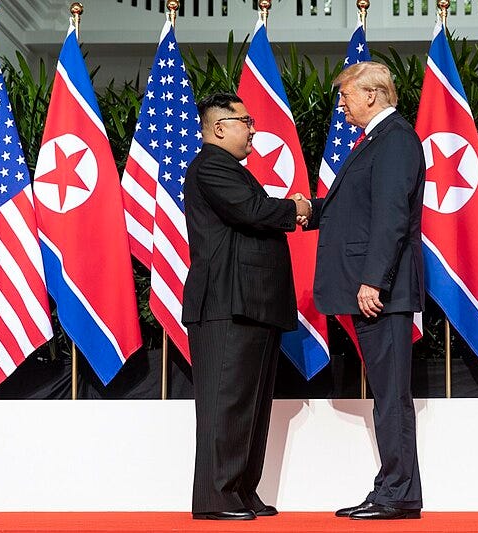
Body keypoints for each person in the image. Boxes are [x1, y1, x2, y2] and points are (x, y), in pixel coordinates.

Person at [303, 61, 426, 520]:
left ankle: (395, 493)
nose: (341, 104)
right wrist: (306, 211)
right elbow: (354, 209)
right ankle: (399, 491)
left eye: (346, 96)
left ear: (372, 95)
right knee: (387, 393)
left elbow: (392, 217)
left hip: (381, 292)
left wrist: (373, 279)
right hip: (374, 289)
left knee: (391, 395)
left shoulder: (394, 139)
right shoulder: (378, 139)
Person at [182, 92, 312, 521]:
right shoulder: (212, 165)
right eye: (245, 121)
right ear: (219, 128)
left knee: (251, 405)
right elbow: (252, 211)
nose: (253, 128)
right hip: (226, 303)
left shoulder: (229, 168)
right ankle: (216, 498)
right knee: (226, 403)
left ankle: (240, 491)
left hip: (250, 303)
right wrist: (294, 207)